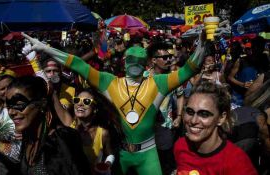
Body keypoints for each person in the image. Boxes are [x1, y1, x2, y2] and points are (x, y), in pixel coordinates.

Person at [22, 32, 207, 175]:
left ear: (146, 63)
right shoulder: (110, 83)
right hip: (122, 153)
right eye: (131, 60)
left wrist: (202, 45)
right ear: (124, 61)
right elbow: (78, 64)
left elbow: (188, 70)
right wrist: (45, 49)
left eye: (139, 60)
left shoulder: (158, 83)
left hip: (149, 153)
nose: (134, 63)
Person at [5, 76, 91, 175]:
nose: (11, 112)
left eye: (19, 104)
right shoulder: (28, 138)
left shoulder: (61, 142)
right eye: (9, 106)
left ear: (42, 104)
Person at [174, 81, 257, 175]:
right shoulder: (181, 146)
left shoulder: (236, 162)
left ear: (221, 118)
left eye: (204, 114)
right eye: (190, 111)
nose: (193, 121)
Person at [53, 88, 116, 174]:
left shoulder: (103, 133)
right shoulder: (69, 125)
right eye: (77, 100)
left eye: (86, 101)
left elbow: (110, 154)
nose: (80, 104)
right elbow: (54, 97)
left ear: (95, 108)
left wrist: (107, 165)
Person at [146, 42, 184, 174]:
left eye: (169, 57)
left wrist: (179, 117)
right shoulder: (144, 77)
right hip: (146, 127)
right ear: (154, 60)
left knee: (165, 158)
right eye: (165, 57)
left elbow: (180, 96)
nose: (169, 60)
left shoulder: (172, 77)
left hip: (166, 126)